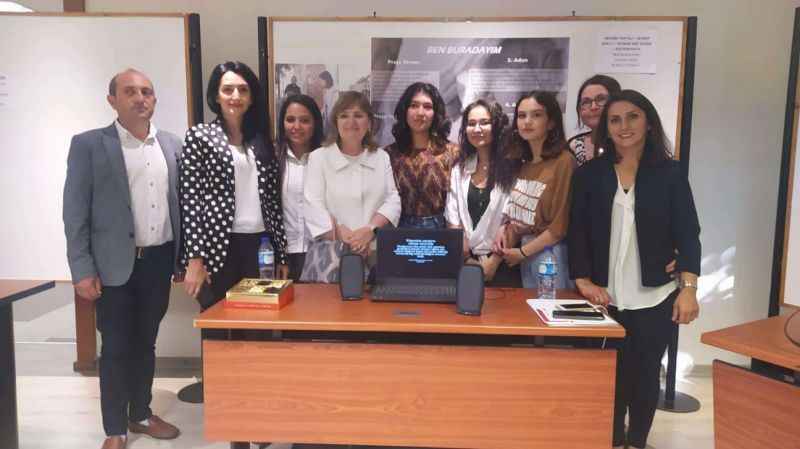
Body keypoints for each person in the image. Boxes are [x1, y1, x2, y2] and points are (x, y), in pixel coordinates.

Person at [568, 89, 701, 449]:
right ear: (606, 128)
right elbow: (577, 231)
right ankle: (610, 440)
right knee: (610, 376)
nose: (623, 126)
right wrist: (582, 280)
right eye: (615, 119)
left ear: (648, 122)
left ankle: (637, 441)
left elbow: (688, 233)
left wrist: (689, 289)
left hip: (655, 295)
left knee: (645, 376)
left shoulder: (670, 174)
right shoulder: (589, 175)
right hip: (603, 297)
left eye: (632, 117)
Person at [63, 69, 181, 449]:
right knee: (114, 347)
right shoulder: (89, 145)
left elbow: (180, 206)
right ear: (112, 100)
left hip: (158, 261)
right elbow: (75, 213)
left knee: (146, 342)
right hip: (113, 266)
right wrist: (81, 269)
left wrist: (182, 259)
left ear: (154, 99)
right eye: (130, 91)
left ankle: (141, 413)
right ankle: (115, 428)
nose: (140, 98)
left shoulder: (171, 144)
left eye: (146, 91)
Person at [181, 61, 288, 306]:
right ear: (215, 96)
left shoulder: (262, 142)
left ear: (251, 98)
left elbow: (273, 203)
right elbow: (190, 201)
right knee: (218, 321)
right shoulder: (200, 136)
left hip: (261, 245)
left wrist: (281, 253)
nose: (236, 96)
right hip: (218, 247)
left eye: (243, 90)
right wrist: (195, 259)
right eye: (228, 90)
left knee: (259, 320)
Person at [304, 91, 400, 262]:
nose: (351, 122)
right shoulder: (318, 158)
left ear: (369, 122)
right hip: (332, 256)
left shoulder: (381, 157)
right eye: (344, 116)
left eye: (358, 115)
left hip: (375, 253)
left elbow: (392, 200)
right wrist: (348, 237)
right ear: (336, 122)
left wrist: (370, 230)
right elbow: (313, 205)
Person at [494, 91, 575, 289]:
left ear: (551, 122)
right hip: (525, 253)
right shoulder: (524, 163)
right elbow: (522, 215)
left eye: (536, 115)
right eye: (522, 116)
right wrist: (504, 228)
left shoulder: (564, 161)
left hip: (549, 254)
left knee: (549, 308)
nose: (527, 122)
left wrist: (523, 253)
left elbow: (559, 226)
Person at [445, 99, 515, 285]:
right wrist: (468, 260)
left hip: (503, 262)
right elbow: (453, 217)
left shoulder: (514, 167)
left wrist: (493, 262)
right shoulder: (459, 168)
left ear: (497, 126)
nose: (477, 129)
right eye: (471, 124)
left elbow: (514, 218)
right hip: (466, 261)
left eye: (484, 122)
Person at [384, 82, 458, 229]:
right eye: (414, 105)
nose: (420, 112)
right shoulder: (389, 155)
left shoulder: (453, 152)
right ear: (405, 110)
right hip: (399, 232)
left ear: (436, 113)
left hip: (442, 231)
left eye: (427, 107)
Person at [275, 94, 324, 280]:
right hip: (283, 255)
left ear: (315, 123)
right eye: (290, 120)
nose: (296, 126)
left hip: (321, 252)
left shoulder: (326, 158)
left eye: (304, 120)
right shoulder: (271, 157)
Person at [568, 74, 622, 165]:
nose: (593, 107)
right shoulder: (573, 146)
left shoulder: (631, 142)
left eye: (601, 99)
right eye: (586, 102)